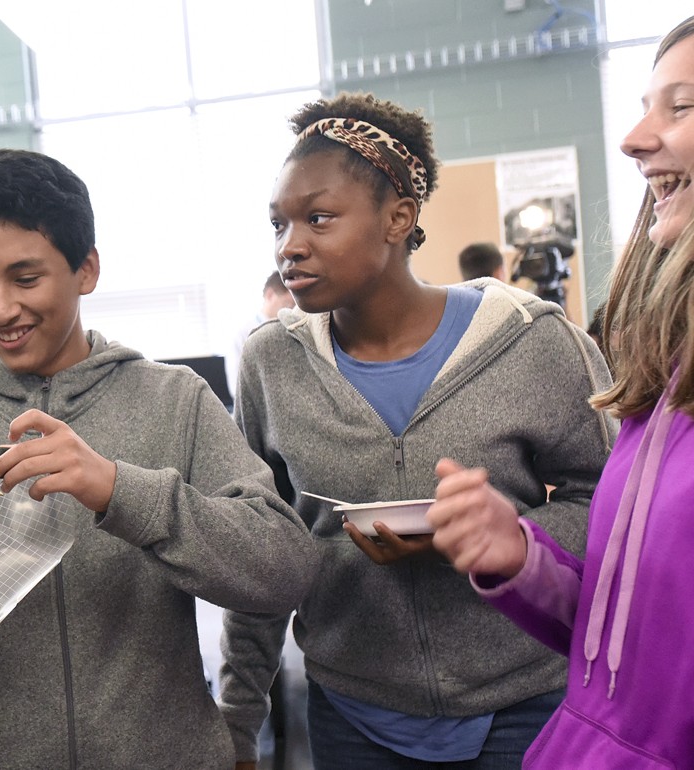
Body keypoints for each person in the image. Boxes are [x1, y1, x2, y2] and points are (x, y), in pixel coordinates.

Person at [0, 148, 316, 769]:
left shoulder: (175, 400)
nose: (0, 309)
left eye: (26, 278)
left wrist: (119, 491)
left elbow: (282, 567)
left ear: (86, 269)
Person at [219, 93, 614, 769]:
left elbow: (613, 504)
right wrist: (238, 714)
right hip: (352, 711)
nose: (291, 246)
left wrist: (509, 537)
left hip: (526, 702)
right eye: (278, 225)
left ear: (398, 218)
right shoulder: (269, 364)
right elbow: (261, 546)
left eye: (318, 218)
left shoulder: (534, 341)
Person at [428, 16, 694, 766]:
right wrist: (517, 558)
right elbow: (626, 650)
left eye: (682, 107)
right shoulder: (668, 380)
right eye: (647, 105)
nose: (636, 137)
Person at [227, 269, 296, 395]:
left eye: (293, 306)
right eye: (287, 304)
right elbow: (236, 387)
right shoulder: (243, 335)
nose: (290, 310)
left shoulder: (294, 330)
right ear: (270, 295)